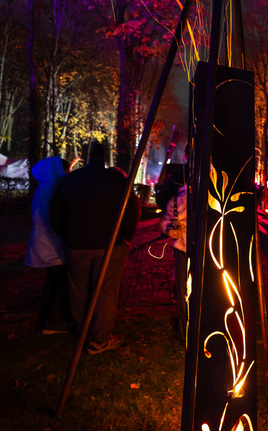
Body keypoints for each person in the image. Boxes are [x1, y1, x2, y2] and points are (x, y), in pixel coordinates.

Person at [50, 141, 140, 354]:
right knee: (106, 291)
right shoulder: (116, 179)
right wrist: (126, 236)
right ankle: (99, 339)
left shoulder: (70, 180)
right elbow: (132, 209)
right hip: (110, 245)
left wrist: (66, 235)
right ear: (106, 157)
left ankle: (82, 332)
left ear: (86, 156)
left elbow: (54, 213)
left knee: (77, 289)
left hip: (76, 244)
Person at [25, 156, 72, 334]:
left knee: (51, 281)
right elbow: (55, 216)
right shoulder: (54, 188)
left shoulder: (43, 187)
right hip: (52, 243)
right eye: (66, 170)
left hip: (44, 241)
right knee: (59, 281)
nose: (67, 174)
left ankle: (45, 319)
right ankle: (54, 322)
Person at [156, 149, 188, 344]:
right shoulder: (217, 180)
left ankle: (185, 330)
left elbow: (167, 220)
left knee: (184, 289)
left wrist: (177, 233)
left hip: (184, 245)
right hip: (209, 247)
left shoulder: (178, 183)